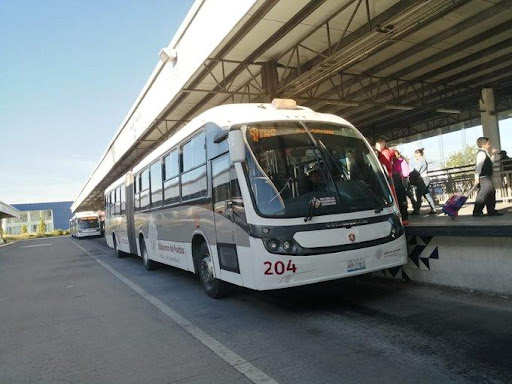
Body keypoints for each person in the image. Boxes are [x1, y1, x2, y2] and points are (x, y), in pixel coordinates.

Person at [473, 137, 502, 217]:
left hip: (487, 177)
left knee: (491, 193)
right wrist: (476, 178)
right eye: (488, 143)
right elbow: (478, 166)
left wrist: (493, 155)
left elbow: (489, 163)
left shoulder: (485, 153)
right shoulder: (481, 154)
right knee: (483, 194)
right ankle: (477, 212)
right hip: (483, 177)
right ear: (483, 144)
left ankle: (491, 211)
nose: (489, 145)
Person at [411, 148, 436, 215]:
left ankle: (416, 210)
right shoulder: (423, 160)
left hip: (422, 179)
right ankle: (433, 209)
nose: (415, 157)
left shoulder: (420, 161)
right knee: (427, 195)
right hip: (426, 178)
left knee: (418, 195)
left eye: (415, 155)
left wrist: (410, 175)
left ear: (418, 154)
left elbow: (416, 171)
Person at [391, 149, 412, 224]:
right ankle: (403, 217)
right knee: (401, 200)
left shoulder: (401, 161)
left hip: (400, 182)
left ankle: (404, 218)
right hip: (397, 182)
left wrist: (400, 175)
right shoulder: (393, 163)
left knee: (402, 200)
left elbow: (406, 172)